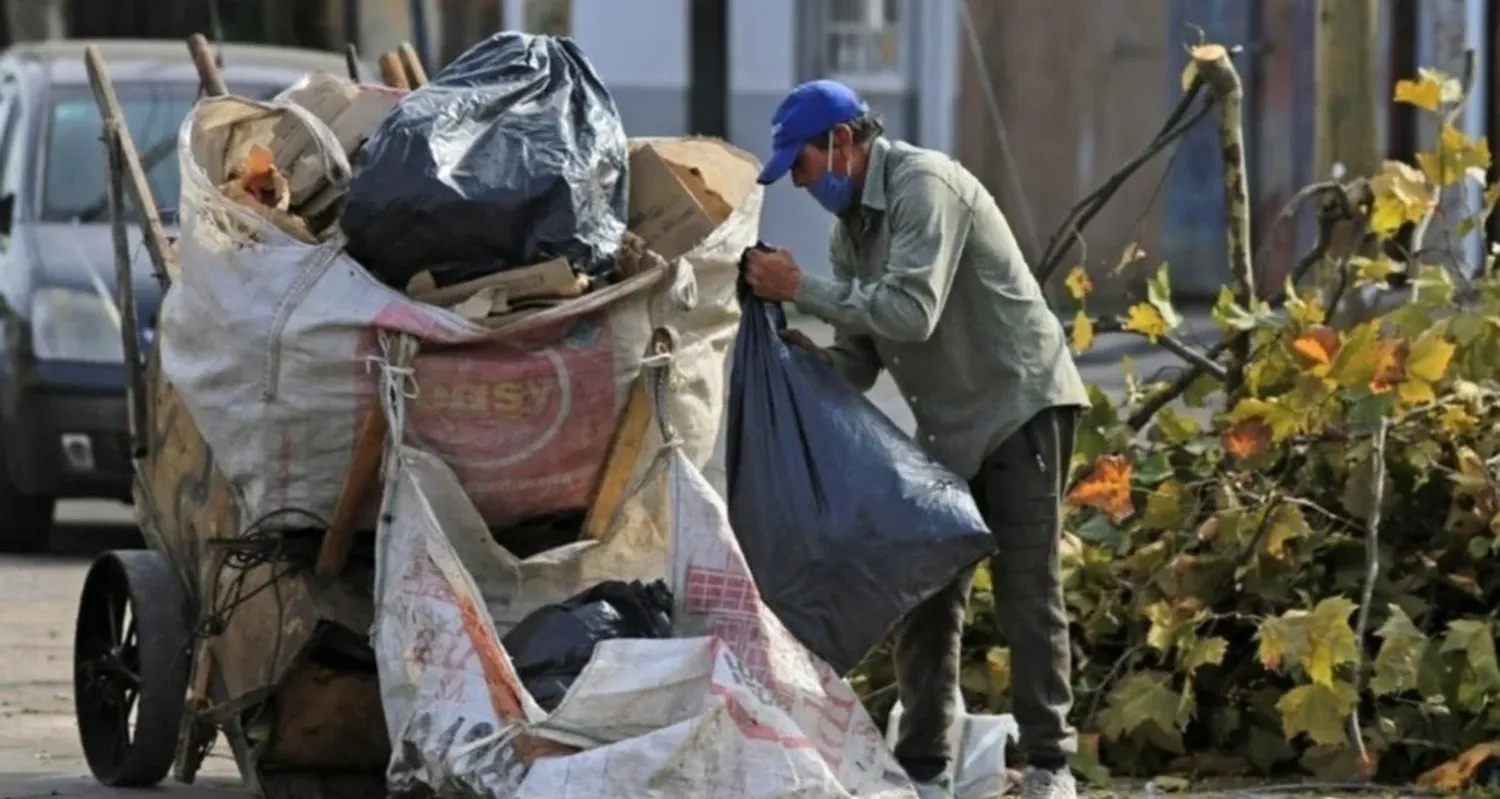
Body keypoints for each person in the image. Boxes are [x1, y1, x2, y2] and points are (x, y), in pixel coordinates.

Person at [743, 79, 1090, 799]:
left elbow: (911, 311)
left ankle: (1053, 765)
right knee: (924, 583)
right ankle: (925, 767)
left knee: (1027, 588)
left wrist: (798, 286)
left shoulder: (921, 187)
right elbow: (861, 357)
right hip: (951, 427)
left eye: (802, 167)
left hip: (1021, 403)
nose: (802, 186)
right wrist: (794, 359)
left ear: (841, 143)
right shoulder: (850, 233)